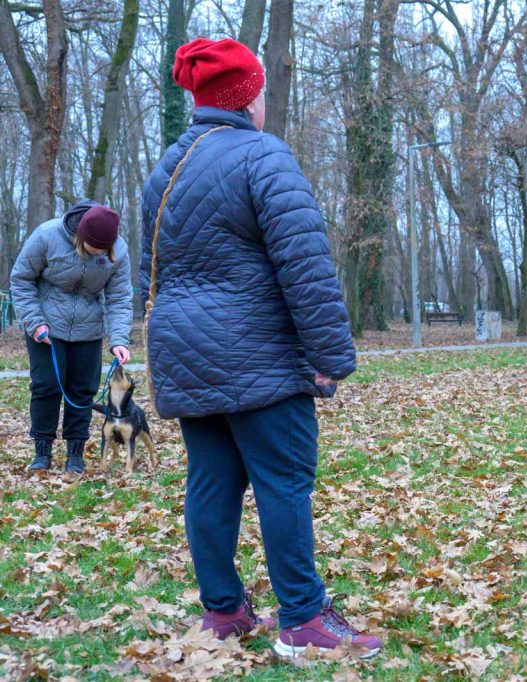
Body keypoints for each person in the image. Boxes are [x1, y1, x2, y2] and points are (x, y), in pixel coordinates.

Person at [140, 37, 381, 659]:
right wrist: (331, 356)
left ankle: (223, 613)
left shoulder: (166, 168)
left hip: (187, 357)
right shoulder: (263, 158)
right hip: (260, 358)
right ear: (249, 98)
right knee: (283, 482)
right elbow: (305, 267)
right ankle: (302, 619)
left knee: (211, 482)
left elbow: (152, 275)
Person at [10, 201, 133, 473]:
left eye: (105, 249)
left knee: (82, 391)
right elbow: (21, 279)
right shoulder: (46, 235)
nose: (100, 253)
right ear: (81, 237)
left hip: (88, 330)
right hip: (46, 328)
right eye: (94, 248)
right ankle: (42, 452)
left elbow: (120, 298)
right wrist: (35, 322)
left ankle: (75, 455)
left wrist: (119, 339)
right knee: (47, 386)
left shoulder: (118, 250)